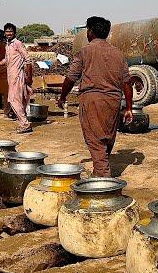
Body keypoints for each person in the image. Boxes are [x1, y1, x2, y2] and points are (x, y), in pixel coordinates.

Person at [57, 16, 133, 177]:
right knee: (107, 138)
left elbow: (71, 78)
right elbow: (127, 82)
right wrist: (129, 108)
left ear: (90, 32)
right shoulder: (118, 54)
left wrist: (63, 97)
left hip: (92, 101)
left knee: (95, 141)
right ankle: (99, 170)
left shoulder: (84, 52)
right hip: (113, 102)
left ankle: (103, 180)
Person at [0, 23, 33, 133]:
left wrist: (29, 77)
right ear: (5, 33)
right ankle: (23, 122)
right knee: (17, 100)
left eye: (11, 31)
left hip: (18, 76)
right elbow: (6, 61)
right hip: (11, 77)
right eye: (7, 31)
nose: (9, 33)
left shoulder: (17, 43)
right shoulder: (7, 45)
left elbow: (28, 60)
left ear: (14, 32)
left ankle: (25, 124)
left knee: (14, 100)